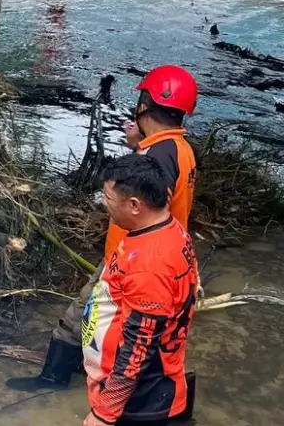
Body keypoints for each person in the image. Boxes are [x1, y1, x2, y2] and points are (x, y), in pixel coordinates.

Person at [7, 65, 199, 391]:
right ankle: (94, 370)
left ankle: (54, 379)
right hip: (155, 259)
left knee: (80, 314)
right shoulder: (180, 149)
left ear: (143, 105)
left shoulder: (159, 154)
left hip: (133, 260)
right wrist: (139, 147)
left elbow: (150, 202)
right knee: (116, 324)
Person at [82, 154, 198, 426]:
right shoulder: (168, 230)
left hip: (140, 401)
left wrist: (104, 413)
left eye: (108, 199)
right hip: (149, 387)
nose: (104, 205)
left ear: (135, 205)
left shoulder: (151, 263)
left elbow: (139, 346)